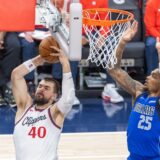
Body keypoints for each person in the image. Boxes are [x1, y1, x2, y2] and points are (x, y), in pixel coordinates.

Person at [107, 20, 160, 159]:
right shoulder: (139, 92)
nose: (148, 77)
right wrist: (122, 43)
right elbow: (114, 69)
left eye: (153, 76)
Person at [11, 46, 75, 160]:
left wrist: (65, 64)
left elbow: (68, 99)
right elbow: (16, 75)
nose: (41, 89)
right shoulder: (24, 108)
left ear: (54, 96)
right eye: (40, 86)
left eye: (46, 88)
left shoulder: (55, 113)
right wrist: (38, 60)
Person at [0, 32, 21, 106]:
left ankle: (4, 84)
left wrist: (1, 37)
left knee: (14, 46)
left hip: (6, 30)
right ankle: (3, 86)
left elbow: (6, 21)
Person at [144, 0, 160, 75]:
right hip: (154, 35)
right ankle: (152, 77)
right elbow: (150, 27)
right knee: (151, 44)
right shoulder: (152, 3)